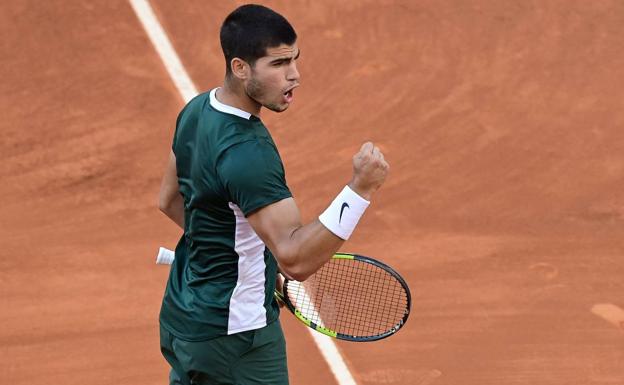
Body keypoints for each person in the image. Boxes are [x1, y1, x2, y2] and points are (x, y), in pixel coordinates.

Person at [157, 4, 389, 385]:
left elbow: (169, 199)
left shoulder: (197, 110)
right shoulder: (249, 154)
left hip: (183, 318)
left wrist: (243, 259)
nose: (294, 75)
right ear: (240, 68)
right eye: (279, 64)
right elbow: (295, 259)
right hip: (237, 338)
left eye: (295, 59)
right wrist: (360, 189)